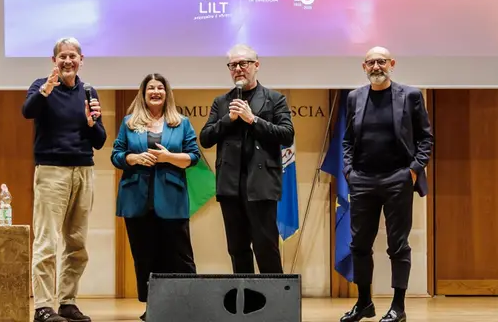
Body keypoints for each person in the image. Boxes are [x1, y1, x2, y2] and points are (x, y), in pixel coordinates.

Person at [339, 46, 433, 322]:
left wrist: (413, 171)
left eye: (381, 61)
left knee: (398, 245)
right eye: (371, 62)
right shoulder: (355, 97)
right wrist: (348, 171)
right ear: (364, 67)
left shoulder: (411, 95)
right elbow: (347, 140)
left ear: (392, 63)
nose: (376, 66)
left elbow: (425, 139)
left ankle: (398, 307)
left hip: (398, 178)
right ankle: (364, 303)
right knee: (358, 245)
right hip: (362, 180)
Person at [22, 37, 107, 322]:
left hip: (83, 171)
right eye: (63, 57)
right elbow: (27, 112)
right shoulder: (41, 86)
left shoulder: (89, 91)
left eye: (73, 56)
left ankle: (68, 302)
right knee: (47, 242)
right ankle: (43, 307)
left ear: (81, 60)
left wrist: (93, 122)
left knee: (77, 243)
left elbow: (100, 140)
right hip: (51, 171)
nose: (68, 61)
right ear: (54, 61)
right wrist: (46, 90)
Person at [111, 73, 201, 321]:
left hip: (171, 199)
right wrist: (134, 158)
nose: (155, 91)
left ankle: (185, 305)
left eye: (160, 88)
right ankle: (153, 306)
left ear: (166, 93)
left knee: (179, 255)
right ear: (143, 93)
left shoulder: (181, 122)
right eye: (150, 88)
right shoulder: (130, 122)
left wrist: (168, 157)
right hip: (137, 200)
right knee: (145, 255)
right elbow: (116, 155)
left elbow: (193, 157)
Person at [199, 44, 294, 274]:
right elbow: (205, 138)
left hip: (261, 183)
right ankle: (245, 303)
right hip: (230, 185)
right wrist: (229, 119)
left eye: (244, 64)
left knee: (265, 246)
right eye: (233, 65)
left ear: (256, 65)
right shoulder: (221, 102)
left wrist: (253, 120)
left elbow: (287, 134)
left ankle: (273, 304)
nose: (238, 69)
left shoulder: (274, 99)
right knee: (237, 248)